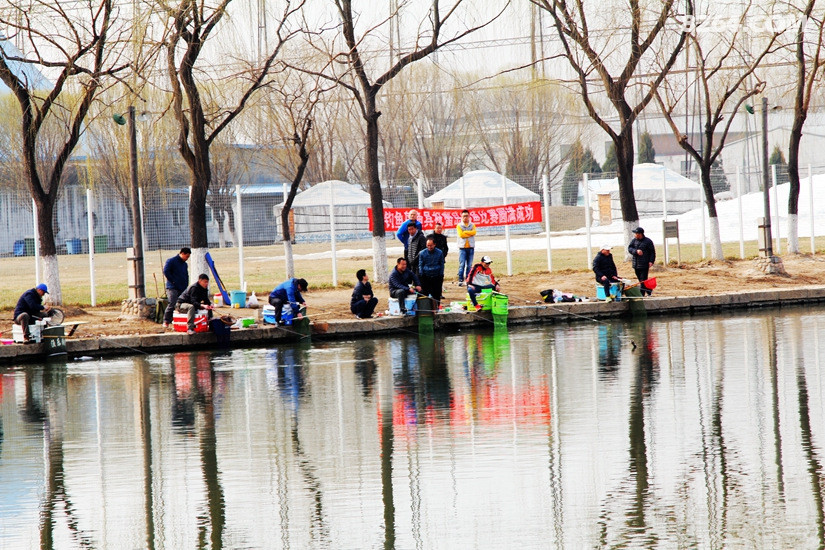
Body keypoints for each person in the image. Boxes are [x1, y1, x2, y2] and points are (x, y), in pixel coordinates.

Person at [162, 247, 191, 328]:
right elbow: (166, 271)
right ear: (182, 254)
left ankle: (179, 320)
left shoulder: (185, 264)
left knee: (182, 304)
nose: (187, 259)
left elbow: (186, 274)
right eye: (187, 256)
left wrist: (186, 284)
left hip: (182, 287)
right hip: (172, 287)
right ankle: (166, 321)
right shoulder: (171, 261)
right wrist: (173, 281)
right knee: (172, 303)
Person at [627, 227, 656, 296]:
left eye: (636, 234)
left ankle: (641, 295)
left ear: (640, 234)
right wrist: (636, 251)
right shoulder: (634, 241)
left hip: (644, 264)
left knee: (643, 280)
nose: (635, 235)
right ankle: (649, 291)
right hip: (636, 264)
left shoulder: (648, 241)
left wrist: (651, 261)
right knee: (641, 280)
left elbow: (652, 252)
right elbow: (630, 248)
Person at [418, 236, 445, 305]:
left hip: (437, 275)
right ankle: (426, 307)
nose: (429, 247)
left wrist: (441, 274)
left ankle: (436, 307)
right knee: (425, 294)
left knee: (436, 293)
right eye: (428, 245)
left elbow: (442, 264)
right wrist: (421, 275)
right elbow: (420, 265)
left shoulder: (440, 253)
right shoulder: (422, 253)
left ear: (434, 244)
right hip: (426, 276)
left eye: (431, 245)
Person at [456, 209, 476, 286]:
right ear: (461, 217)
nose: (465, 217)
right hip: (462, 248)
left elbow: (474, 232)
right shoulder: (459, 225)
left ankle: (468, 279)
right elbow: (461, 235)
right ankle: (460, 279)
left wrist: (466, 232)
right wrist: (469, 233)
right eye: (464, 216)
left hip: (471, 247)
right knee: (462, 264)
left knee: (469, 264)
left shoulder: (472, 225)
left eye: (466, 216)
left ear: (469, 216)